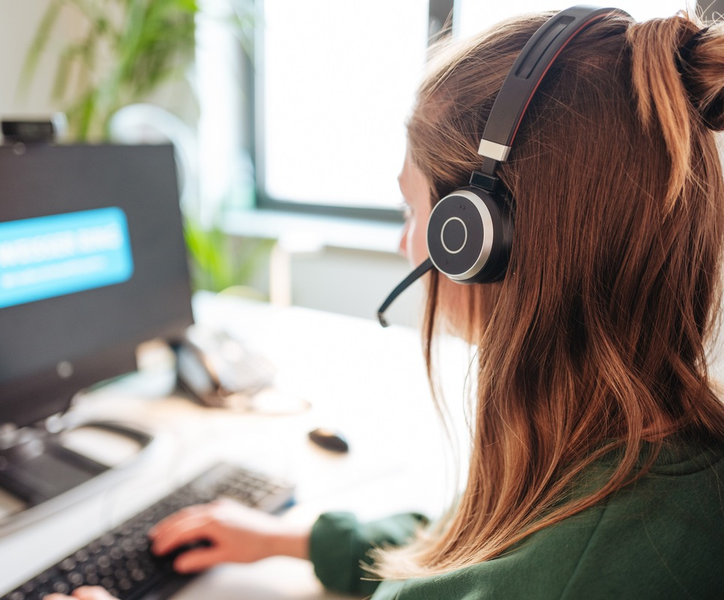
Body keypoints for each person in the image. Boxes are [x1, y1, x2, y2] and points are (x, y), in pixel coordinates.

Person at [47, 6, 724, 600]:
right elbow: (464, 542)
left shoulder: (558, 566)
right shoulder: (619, 452)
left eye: (414, 209)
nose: (408, 244)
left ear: (476, 238)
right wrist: (298, 539)